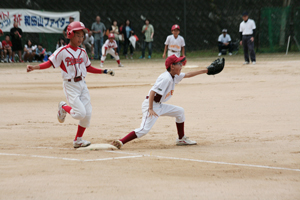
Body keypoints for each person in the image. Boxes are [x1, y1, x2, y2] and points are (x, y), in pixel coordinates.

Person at [26, 21, 115, 148]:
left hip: (82, 85)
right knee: (80, 113)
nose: (81, 38)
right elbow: (49, 63)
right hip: (71, 86)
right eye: (78, 35)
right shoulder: (62, 51)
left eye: (82, 35)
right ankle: (63, 107)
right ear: (70, 34)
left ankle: (78, 140)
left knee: (87, 114)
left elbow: (88, 67)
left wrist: (104, 71)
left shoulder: (82, 52)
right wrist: (34, 67)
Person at [111, 55, 225, 149]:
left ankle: (181, 139)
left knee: (180, 112)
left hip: (159, 105)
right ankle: (120, 142)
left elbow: (189, 74)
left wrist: (206, 70)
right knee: (143, 130)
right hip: (151, 106)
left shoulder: (174, 75)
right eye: (178, 64)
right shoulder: (165, 78)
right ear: (172, 66)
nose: (181, 65)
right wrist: (150, 109)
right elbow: (152, 93)